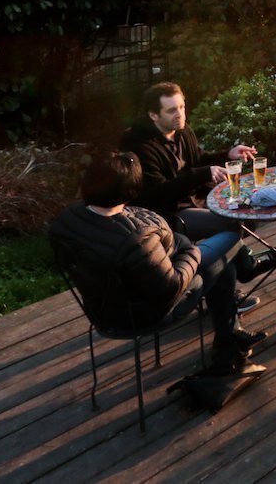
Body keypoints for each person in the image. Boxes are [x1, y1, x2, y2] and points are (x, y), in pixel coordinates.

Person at [48, 152, 265, 372]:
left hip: (102, 308)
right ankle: (228, 338)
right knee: (227, 243)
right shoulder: (135, 238)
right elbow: (172, 286)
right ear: (131, 189)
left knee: (214, 254)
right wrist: (190, 252)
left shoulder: (68, 220)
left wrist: (176, 244)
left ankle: (230, 336)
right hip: (145, 313)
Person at [120, 81, 276, 310]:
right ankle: (231, 290)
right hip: (169, 214)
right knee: (226, 224)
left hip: (197, 199)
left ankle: (236, 279)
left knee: (244, 207)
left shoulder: (181, 130)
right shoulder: (140, 147)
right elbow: (157, 194)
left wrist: (227, 154)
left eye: (182, 107)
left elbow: (198, 158)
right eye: (172, 110)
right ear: (153, 115)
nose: (180, 114)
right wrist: (202, 174)